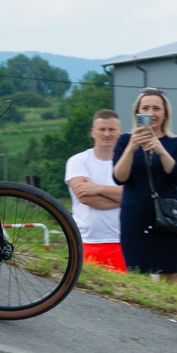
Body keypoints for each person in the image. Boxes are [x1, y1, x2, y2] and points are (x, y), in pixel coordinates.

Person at [112, 88, 177, 283]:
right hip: (135, 216)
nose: (151, 113)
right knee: (138, 277)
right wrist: (131, 148)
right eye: (145, 108)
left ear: (165, 113)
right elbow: (119, 177)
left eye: (157, 108)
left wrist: (161, 150)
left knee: (170, 275)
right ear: (137, 113)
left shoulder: (176, 143)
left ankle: (169, 314)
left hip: (168, 218)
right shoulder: (124, 140)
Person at [65, 109, 126, 272]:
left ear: (119, 132)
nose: (107, 134)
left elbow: (137, 196)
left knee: (123, 295)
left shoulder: (128, 164)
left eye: (112, 129)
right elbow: (85, 198)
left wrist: (97, 188)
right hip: (85, 242)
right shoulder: (77, 161)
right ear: (93, 132)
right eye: (102, 129)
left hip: (123, 242)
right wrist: (123, 196)